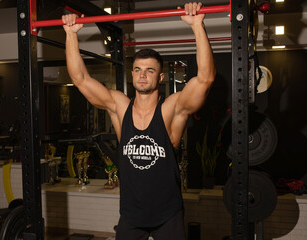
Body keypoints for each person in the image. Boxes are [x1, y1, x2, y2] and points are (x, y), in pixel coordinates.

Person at [62, 2, 216, 239]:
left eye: (150, 70)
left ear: (161, 76)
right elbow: (81, 79)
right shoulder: (119, 106)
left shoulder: (170, 109)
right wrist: (71, 35)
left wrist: (197, 25)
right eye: (138, 69)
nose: (142, 75)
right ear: (132, 73)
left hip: (168, 215)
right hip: (131, 216)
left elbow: (205, 79)